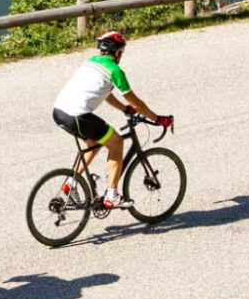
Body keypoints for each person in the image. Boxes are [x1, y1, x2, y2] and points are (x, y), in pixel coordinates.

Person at [52, 30, 173, 208]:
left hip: (59, 111)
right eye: (121, 52)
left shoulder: (91, 62)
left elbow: (105, 94)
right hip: (78, 115)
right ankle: (112, 195)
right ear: (117, 52)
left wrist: (124, 109)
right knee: (116, 143)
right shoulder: (115, 71)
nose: (121, 56)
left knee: (94, 142)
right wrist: (157, 119)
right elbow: (136, 101)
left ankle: (71, 183)